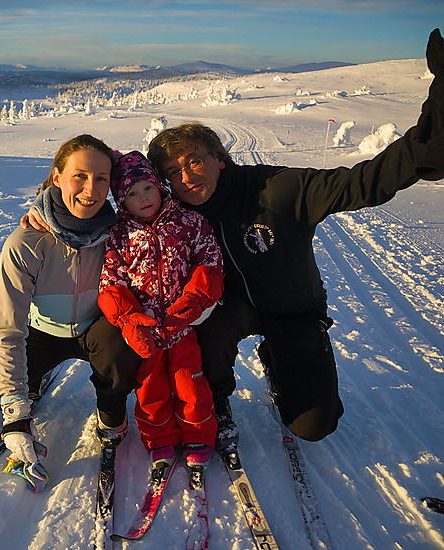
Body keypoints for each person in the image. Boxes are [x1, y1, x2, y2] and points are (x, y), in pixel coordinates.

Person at [144, 28, 444, 451]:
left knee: (313, 426)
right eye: (173, 173)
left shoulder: (278, 189)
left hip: (294, 309)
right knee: (207, 326)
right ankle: (216, 398)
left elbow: (367, 182)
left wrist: (432, 132)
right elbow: (124, 222)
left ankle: (281, 360)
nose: (186, 178)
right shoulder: (176, 210)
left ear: (221, 160)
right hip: (230, 309)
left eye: (195, 161)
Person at [0, 134, 142, 490]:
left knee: (119, 345)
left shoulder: (120, 232)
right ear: (57, 176)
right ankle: (34, 379)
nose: (90, 190)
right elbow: (9, 329)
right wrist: (15, 412)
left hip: (96, 329)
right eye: (79, 176)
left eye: (101, 179)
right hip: (44, 331)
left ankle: (110, 411)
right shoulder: (27, 241)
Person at [98, 150, 223, 473]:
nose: (143, 199)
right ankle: (160, 438)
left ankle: (198, 435)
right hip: (146, 331)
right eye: (132, 194)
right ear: (120, 201)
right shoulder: (119, 235)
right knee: (150, 387)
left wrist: (195, 300)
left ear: (160, 187)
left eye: (148, 189)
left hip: (182, 325)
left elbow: (210, 260)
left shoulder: (188, 222)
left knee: (190, 382)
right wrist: (128, 319)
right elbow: (111, 282)